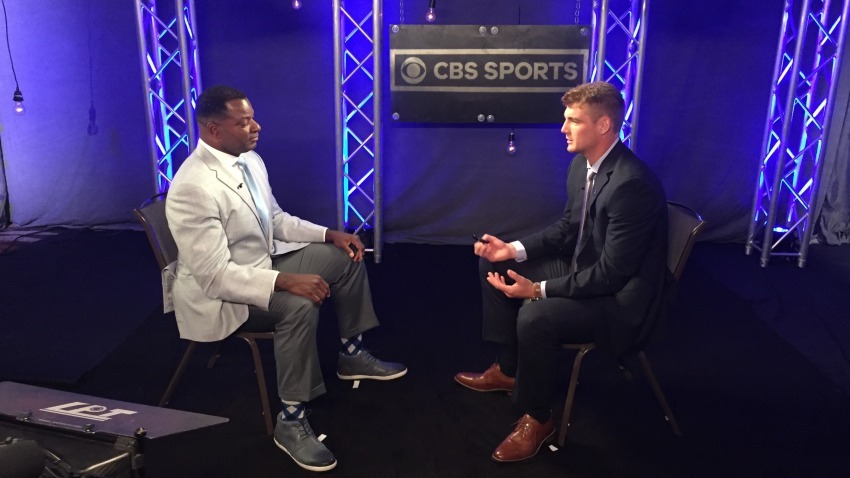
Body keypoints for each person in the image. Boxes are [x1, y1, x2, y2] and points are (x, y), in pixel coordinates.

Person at [165, 85, 406, 472]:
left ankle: (352, 355)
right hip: (224, 293)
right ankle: (291, 420)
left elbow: (276, 221)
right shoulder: (193, 187)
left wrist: (329, 234)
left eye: (253, 118)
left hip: (263, 263)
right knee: (298, 305)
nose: (256, 127)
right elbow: (214, 277)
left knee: (344, 256)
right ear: (213, 130)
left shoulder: (250, 159)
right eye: (244, 122)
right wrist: (286, 282)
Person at [455, 81, 668, 463]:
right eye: (565, 119)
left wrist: (537, 290)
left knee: (536, 316)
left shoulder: (632, 184)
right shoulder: (581, 164)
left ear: (603, 125)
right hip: (587, 271)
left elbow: (612, 275)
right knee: (495, 263)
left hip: (619, 302)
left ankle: (538, 418)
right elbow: (569, 229)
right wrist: (511, 250)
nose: (563, 128)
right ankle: (510, 371)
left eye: (574, 120)